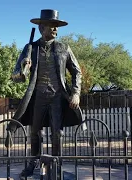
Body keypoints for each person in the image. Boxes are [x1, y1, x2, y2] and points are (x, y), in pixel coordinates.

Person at [7, 9, 83, 178]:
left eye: (56, 27)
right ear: (41, 28)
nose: (55, 30)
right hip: (38, 96)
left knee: (57, 132)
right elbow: (16, 77)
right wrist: (23, 68)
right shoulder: (30, 48)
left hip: (58, 96)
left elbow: (77, 72)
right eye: (51, 26)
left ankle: (56, 165)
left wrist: (76, 93)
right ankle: (33, 163)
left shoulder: (64, 48)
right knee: (35, 132)